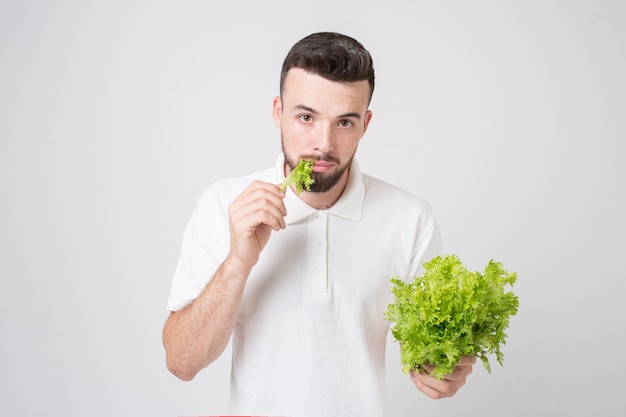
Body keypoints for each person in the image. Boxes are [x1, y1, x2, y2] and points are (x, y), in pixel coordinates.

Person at [162, 31, 475, 416]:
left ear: (365, 124)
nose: (323, 144)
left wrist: (442, 367)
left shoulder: (410, 219)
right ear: (278, 112)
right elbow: (181, 361)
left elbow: (430, 354)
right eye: (306, 117)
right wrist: (237, 263)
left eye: (344, 122)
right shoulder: (221, 204)